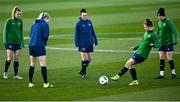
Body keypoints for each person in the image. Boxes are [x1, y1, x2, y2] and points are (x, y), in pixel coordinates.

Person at [111, 19, 160, 85]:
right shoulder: (146, 33)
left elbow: (159, 44)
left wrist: (153, 45)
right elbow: (142, 43)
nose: (144, 28)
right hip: (138, 52)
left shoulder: (154, 34)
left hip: (142, 54)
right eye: (144, 27)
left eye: (145, 27)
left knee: (128, 63)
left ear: (150, 26)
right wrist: (135, 47)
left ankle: (117, 76)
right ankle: (135, 81)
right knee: (131, 66)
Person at [28, 12, 53, 88]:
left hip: (31, 45)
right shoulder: (45, 24)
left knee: (32, 64)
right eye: (48, 19)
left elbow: (30, 34)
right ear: (46, 18)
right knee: (43, 65)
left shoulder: (34, 24)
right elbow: (46, 36)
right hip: (39, 45)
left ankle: (30, 83)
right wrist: (44, 42)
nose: (48, 21)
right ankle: (45, 83)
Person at [154, 8, 178, 79]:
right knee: (161, 58)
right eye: (158, 16)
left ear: (162, 15)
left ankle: (173, 73)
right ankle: (161, 75)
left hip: (168, 43)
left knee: (169, 58)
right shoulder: (159, 23)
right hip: (161, 43)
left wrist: (175, 40)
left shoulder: (168, 21)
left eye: (159, 16)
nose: (158, 17)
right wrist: (156, 41)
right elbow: (158, 33)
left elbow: (175, 31)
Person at [74, 8, 98, 78]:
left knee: (90, 59)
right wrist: (77, 44)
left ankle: (82, 70)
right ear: (81, 16)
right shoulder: (78, 24)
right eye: (84, 15)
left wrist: (95, 40)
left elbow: (93, 31)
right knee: (84, 58)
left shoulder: (89, 22)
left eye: (86, 15)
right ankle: (84, 73)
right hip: (82, 43)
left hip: (90, 43)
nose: (85, 17)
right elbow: (76, 35)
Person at [3, 6, 24, 80]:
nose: (19, 16)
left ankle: (16, 75)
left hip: (18, 43)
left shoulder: (20, 21)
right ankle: (5, 72)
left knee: (16, 58)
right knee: (9, 58)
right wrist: (5, 41)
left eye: (20, 14)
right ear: (14, 13)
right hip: (10, 43)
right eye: (18, 14)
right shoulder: (9, 21)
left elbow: (21, 32)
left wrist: (22, 42)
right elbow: (5, 32)